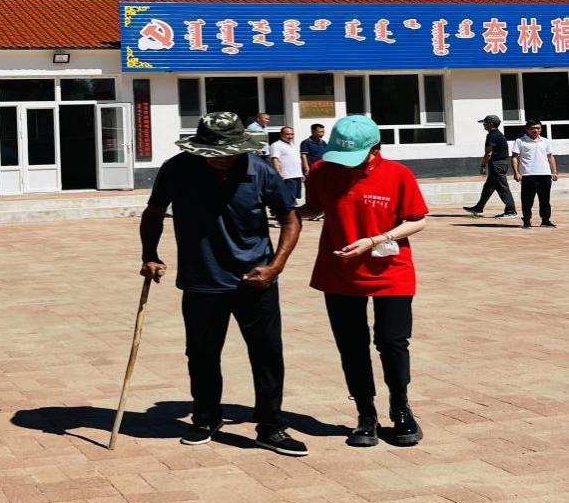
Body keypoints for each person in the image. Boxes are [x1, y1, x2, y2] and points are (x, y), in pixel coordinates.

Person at [139, 112, 307, 457]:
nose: (219, 159)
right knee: (201, 354)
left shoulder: (260, 171)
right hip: (201, 280)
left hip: (255, 281)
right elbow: (154, 212)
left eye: (227, 152)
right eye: (212, 152)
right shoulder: (177, 169)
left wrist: (275, 266)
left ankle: (271, 426)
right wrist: (150, 254)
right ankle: (205, 418)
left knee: (267, 354)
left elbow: (290, 219)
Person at [304, 115, 428, 448]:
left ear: (375, 148)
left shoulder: (398, 175)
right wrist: (279, 211)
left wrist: (376, 239)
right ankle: (365, 413)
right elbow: (312, 208)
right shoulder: (321, 172)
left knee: (392, 341)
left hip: (391, 271)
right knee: (351, 344)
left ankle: (400, 408)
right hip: (339, 270)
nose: (345, 165)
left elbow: (417, 220)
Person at [463, 115, 517, 218]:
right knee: (488, 187)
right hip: (499, 164)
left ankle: (511, 211)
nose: (483, 125)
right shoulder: (497, 134)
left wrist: (483, 165)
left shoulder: (492, 135)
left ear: (490, 124)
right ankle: (478, 208)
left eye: (485, 123)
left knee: (502, 188)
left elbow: (488, 153)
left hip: (497, 165)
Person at [511, 119, 559, 228]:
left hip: (545, 174)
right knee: (527, 200)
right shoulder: (520, 141)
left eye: (538, 128)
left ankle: (545, 220)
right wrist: (516, 172)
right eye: (533, 128)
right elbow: (514, 157)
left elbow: (550, 157)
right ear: (527, 129)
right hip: (528, 175)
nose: (536, 130)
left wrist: (554, 172)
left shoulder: (545, 141)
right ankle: (527, 220)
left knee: (545, 200)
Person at [269, 126, 303, 205]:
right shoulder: (276, 145)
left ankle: (291, 210)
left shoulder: (292, 145)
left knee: (293, 198)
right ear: (281, 134)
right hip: (287, 176)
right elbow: (275, 160)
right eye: (287, 134)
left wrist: (301, 173)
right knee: (288, 198)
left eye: (292, 134)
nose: (290, 136)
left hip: (297, 175)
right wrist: (280, 174)